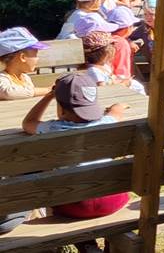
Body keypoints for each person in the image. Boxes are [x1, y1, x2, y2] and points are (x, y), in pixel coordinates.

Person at [21, 72, 131, 253]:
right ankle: (112, 245)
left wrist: (49, 96)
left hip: (75, 206)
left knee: (58, 193)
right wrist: (119, 105)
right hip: (113, 199)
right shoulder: (107, 122)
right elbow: (117, 113)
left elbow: (28, 123)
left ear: (62, 109)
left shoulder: (53, 128)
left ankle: (87, 245)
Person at [0, 27, 51, 100]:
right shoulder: (2, 78)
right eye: (35, 55)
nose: (38, 58)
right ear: (22, 57)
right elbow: (8, 93)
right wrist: (48, 90)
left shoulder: (25, 78)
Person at [105, 5, 145, 94]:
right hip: (116, 83)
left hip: (105, 79)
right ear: (127, 28)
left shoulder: (106, 38)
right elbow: (122, 71)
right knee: (139, 88)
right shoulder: (122, 44)